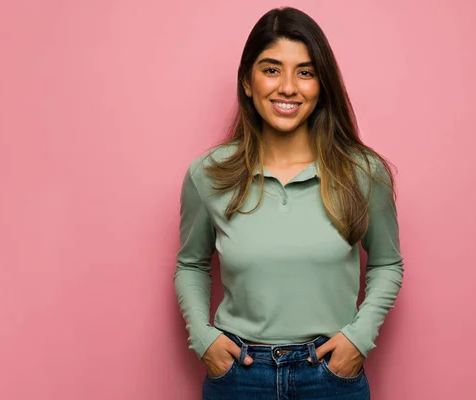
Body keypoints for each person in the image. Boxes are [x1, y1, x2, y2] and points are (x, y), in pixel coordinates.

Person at [174, 6, 404, 400]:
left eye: (306, 72)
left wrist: (360, 338)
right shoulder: (208, 174)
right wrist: (203, 338)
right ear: (247, 81)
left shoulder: (363, 172)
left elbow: (387, 263)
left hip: (331, 378)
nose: (287, 87)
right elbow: (190, 264)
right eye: (271, 69)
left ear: (322, 84)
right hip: (238, 377)